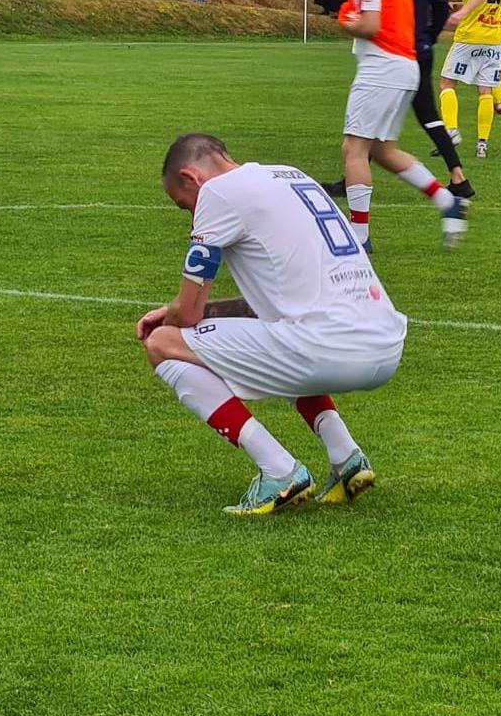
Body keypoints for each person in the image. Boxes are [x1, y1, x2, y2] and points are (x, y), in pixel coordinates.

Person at [138, 134, 407, 514]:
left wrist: (168, 318)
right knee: (279, 334)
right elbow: (266, 308)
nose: (192, 214)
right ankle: (347, 459)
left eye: (185, 205)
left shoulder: (216, 193)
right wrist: (181, 312)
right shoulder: (290, 175)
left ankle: (279, 470)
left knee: (163, 343)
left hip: (328, 348)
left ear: (191, 177)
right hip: (384, 339)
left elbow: (188, 315)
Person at [334, 0, 468, 252]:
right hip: (404, 65)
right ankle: (446, 201)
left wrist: (345, 20)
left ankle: (360, 238)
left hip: (382, 66)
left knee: (354, 148)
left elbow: (370, 25)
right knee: (381, 150)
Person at [439, 0, 501, 158]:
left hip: (471, 35)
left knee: (446, 83)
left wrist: (463, 13)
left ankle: (451, 130)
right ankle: (482, 144)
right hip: (493, 36)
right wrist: (461, 4)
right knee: (485, 90)